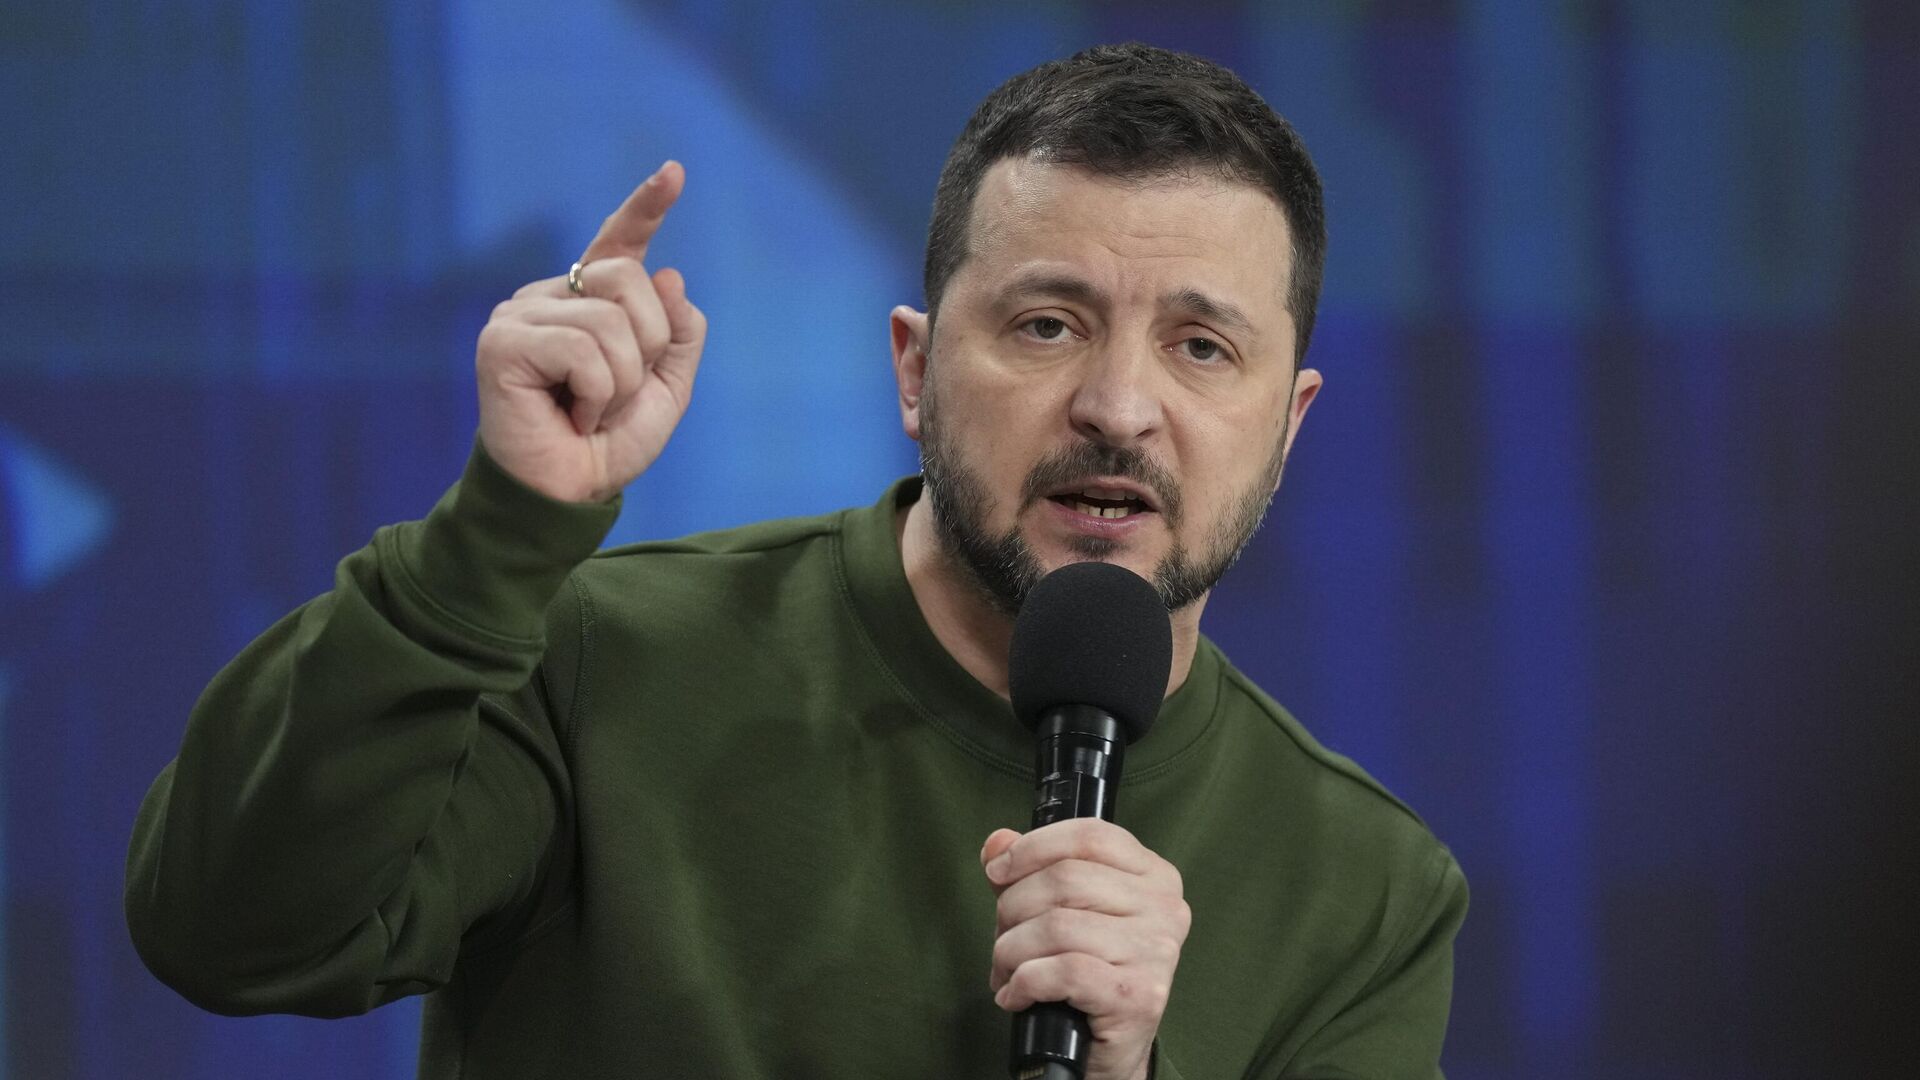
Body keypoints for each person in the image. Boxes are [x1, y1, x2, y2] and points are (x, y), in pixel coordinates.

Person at [126, 43, 1466, 1080]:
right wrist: (493, 538)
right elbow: (232, 933)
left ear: (1288, 425)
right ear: (914, 371)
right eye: (1048, 325)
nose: (1119, 407)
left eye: (1201, 347)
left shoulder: (1366, 892)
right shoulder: (603, 660)